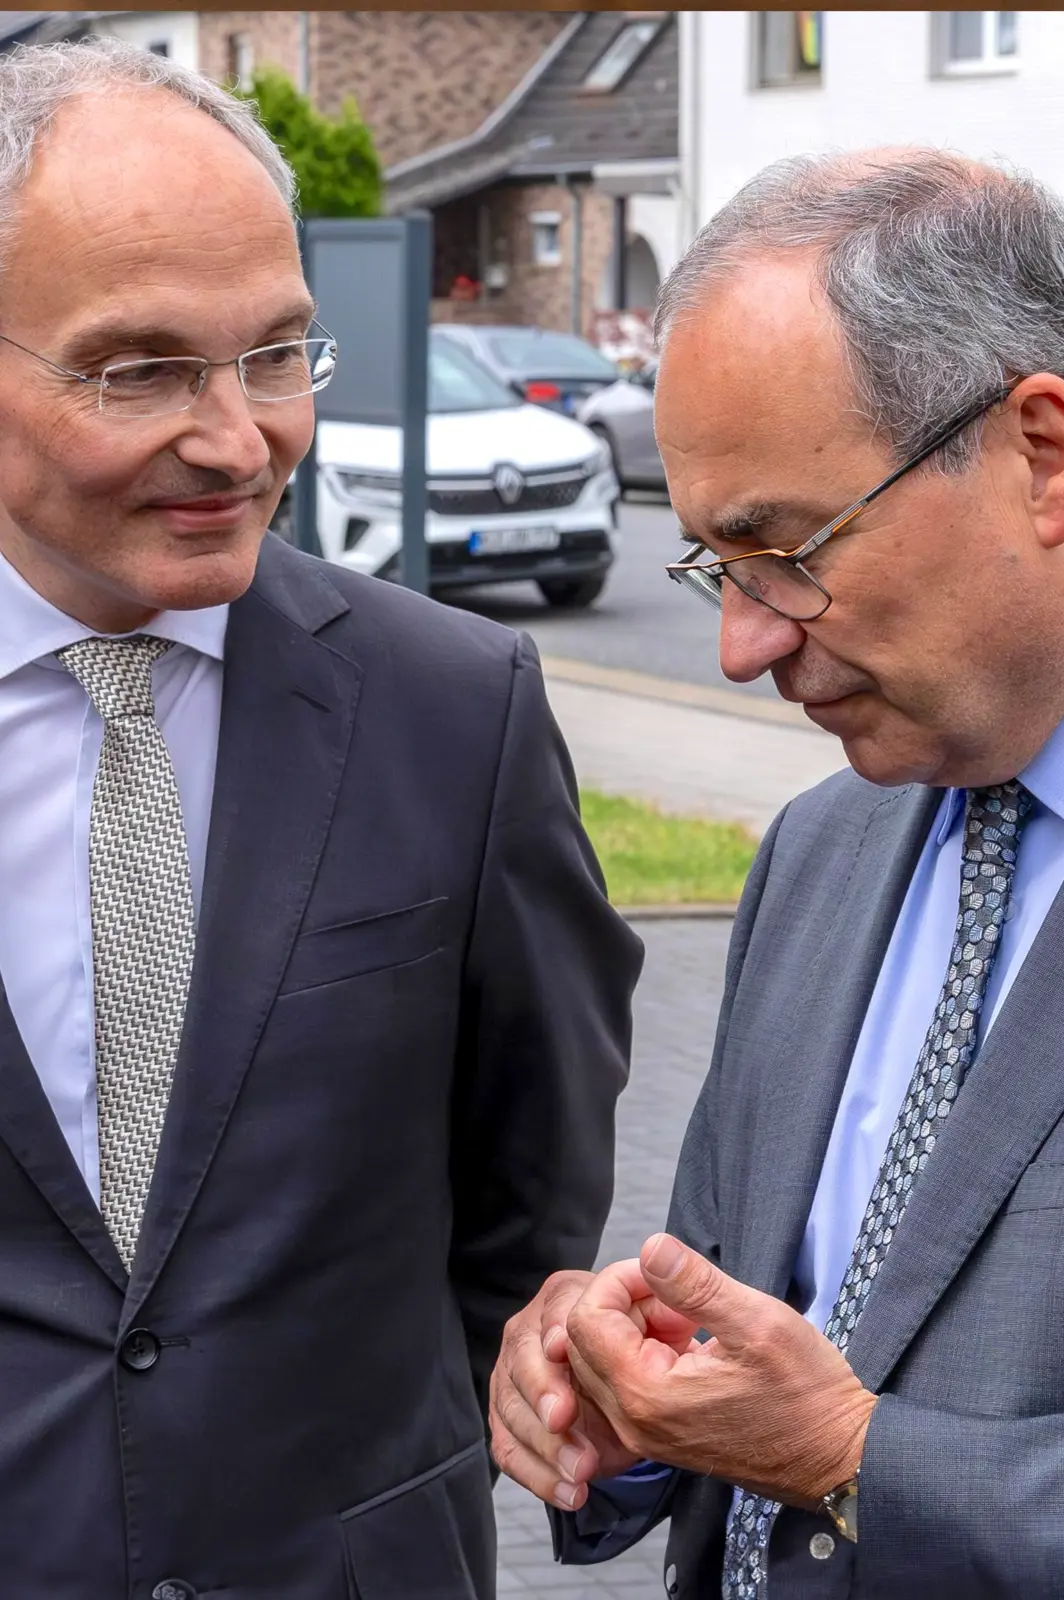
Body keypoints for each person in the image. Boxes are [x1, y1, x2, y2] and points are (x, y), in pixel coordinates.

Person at [0, 38, 643, 1599]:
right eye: (141, 370)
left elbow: (528, 1216)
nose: (240, 440)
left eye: (278, 354)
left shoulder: (457, 711)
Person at [490, 146, 1064, 1599]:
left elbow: (823, 1435)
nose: (742, 647)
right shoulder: (823, 848)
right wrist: (629, 1395)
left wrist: (848, 1456)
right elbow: (745, 1319)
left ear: (1042, 454)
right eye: (712, 564)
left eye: (784, 549)